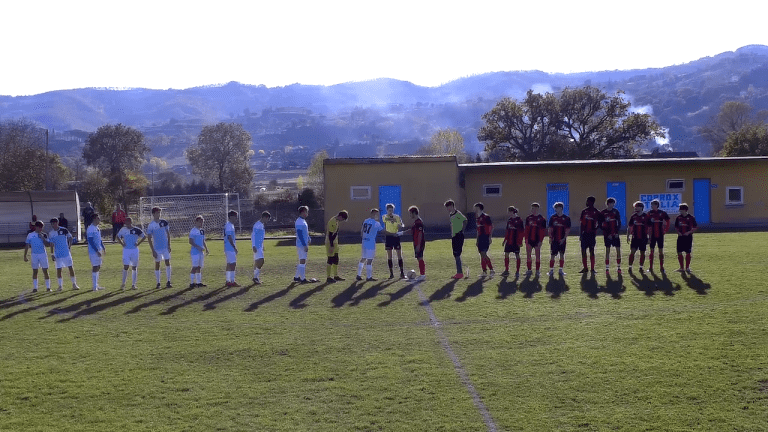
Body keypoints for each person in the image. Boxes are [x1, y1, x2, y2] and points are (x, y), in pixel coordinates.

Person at [49, 217, 80, 291]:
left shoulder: (64, 230)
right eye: (52, 224)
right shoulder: (51, 233)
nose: (53, 225)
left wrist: (69, 247)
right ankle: (60, 286)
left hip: (66, 253)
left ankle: (74, 284)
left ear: (57, 222)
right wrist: (52, 254)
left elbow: (70, 238)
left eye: (54, 223)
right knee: (59, 269)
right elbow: (51, 244)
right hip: (58, 254)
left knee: (70, 268)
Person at [357, 208, 387, 281]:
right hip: (370, 242)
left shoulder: (366, 221)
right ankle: (369, 276)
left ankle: (358, 274)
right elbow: (383, 231)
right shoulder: (376, 223)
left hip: (364, 241)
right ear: (375, 214)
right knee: (369, 260)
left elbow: (361, 232)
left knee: (363, 258)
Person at [116, 217, 146, 290]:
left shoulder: (136, 230)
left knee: (134, 267)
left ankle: (133, 284)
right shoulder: (123, 229)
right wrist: (122, 243)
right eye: (126, 222)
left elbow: (144, 236)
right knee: (126, 266)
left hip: (134, 250)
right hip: (126, 250)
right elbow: (118, 236)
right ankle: (123, 284)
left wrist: (138, 243)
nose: (127, 223)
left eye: (128, 221)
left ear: (131, 222)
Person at [147, 207, 173, 289]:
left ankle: (168, 281)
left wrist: (169, 245)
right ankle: (158, 283)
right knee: (157, 264)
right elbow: (149, 238)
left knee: (167, 262)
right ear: (153, 214)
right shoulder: (151, 225)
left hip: (165, 247)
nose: (159, 214)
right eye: (157, 213)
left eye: (159, 213)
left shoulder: (164, 222)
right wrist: (153, 250)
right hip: (157, 248)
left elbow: (168, 234)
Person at [23, 220, 51, 292]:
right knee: (35, 271)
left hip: (43, 254)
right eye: (39, 227)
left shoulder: (44, 234)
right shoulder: (30, 235)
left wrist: (43, 238)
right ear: (36, 227)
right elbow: (27, 245)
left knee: (45, 271)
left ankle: (48, 287)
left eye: (42, 227)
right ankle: (35, 288)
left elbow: (48, 245)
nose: (40, 229)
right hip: (34, 255)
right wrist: (25, 256)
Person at [579, 196, 603, 273]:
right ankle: (585, 268)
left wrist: (596, 228)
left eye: (588, 201)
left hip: (592, 235)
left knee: (591, 251)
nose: (587, 203)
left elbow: (601, 222)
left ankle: (592, 269)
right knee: (583, 251)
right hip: (584, 234)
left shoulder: (596, 212)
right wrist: (580, 234)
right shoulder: (584, 211)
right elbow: (581, 224)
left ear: (592, 202)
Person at [445, 199, 468, 279]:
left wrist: (461, 230)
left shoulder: (458, 213)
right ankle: (459, 272)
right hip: (454, 236)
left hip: (459, 236)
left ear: (452, 206)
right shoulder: (451, 215)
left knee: (457, 254)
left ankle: (460, 273)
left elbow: (465, 220)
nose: (448, 209)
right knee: (455, 254)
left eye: (448, 207)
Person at [647, 199, 671, 273]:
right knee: (651, 251)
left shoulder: (662, 213)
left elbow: (668, 221)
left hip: (660, 234)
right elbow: (647, 224)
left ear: (657, 205)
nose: (652, 206)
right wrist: (648, 233)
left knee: (661, 251)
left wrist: (665, 230)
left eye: (653, 205)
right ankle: (650, 268)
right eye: (651, 205)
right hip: (652, 235)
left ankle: (662, 267)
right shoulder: (649, 213)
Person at [324, 210, 349, 283]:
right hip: (330, 242)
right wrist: (331, 245)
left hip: (335, 242)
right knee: (330, 259)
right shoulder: (332, 221)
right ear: (340, 216)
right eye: (343, 219)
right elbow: (330, 235)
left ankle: (335, 275)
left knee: (336, 258)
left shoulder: (337, 221)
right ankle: (328, 277)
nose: (343, 221)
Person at [382, 203, 406, 279]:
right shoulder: (384, 217)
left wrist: (401, 226)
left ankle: (402, 273)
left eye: (392, 210)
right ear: (387, 210)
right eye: (389, 210)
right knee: (389, 255)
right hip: (389, 237)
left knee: (399, 254)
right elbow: (386, 221)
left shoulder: (397, 217)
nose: (390, 212)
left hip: (396, 237)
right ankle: (391, 273)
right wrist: (393, 219)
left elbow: (402, 225)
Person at [548, 202, 571, 276]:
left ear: (561, 208)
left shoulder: (566, 218)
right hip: (554, 240)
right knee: (552, 255)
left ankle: (561, 270)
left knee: (561, 254)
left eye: (557, 208)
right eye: (555, 208)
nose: (556, 210)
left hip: (562, 240)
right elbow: (550, 229)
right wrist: (550, 238)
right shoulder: (552, 218)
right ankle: (551, 270)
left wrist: (563, 239)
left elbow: (567, 230)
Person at [524, 202, 547, 277]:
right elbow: (526, 230)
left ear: (538, 209)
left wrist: (540, 241)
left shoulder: (542, 219)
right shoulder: (528, 218)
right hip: (530, 240)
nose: (534, 210)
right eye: (533, 208)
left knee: (537, 255)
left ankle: (537, 271)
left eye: (536, 208)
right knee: (528, 255)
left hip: (537, 240)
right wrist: (526, 240)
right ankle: (529, 270)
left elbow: (543, 231)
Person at [294, 206, 316, 283]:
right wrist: (304, 245)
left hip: (303, 243)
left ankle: (296, 277)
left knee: (301, 260)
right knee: (303, 261)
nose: (307, 213)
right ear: (303, 212)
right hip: (301, 245)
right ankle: (303, 279)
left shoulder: (303, 221)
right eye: (306, 211)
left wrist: (309, 238)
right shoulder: (299, 221)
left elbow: (305, 233)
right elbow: (300, 234)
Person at [627, 201, 651, 272]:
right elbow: (629, 226)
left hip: (643, 238)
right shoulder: (633, 216)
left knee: (642, 253)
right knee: (632, 252)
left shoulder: (646, 217)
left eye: (637, 207)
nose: (636, 208)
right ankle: (630, 267)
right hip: (635, 238)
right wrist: (628, 236)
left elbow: (649, 228)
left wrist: (649, 238)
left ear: (641, 208)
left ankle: (641, 267)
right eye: (635, 207)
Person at [674, 203, 698, 273]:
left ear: (685, 210)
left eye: (681, 210)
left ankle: (687, 267)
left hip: (688, 237)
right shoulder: (678, 218)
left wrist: (689, 232)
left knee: (688, 252)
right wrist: (678, 232)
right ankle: (681, 268)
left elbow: (695, 227)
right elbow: (676, 227)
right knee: (679, 252)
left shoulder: (691, 218)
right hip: (680, 237)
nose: (680, 211)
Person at [501, 206, 524, 277]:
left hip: (516, 241)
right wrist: (505, 240)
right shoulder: (509, 220)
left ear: (512, 212)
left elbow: (521, 232)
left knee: (517, 255)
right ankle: (506, 270)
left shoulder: (519, 220)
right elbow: (507, 231)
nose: (508, 213)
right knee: (506, 254)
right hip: (509, 241)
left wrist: (520, 242)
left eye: (509, 212)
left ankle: (517, 271)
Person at [601, 198, 623, 274]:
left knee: (618, 250)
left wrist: (617, 233)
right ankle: (607, 268)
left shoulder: (615, 212)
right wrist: (607, 234)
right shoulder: (603, 213)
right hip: (607, 235)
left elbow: (619, 223)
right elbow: (601, 225)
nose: (613, 205)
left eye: (613, 203)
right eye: (611, 203)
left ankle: (619, 267)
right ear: (608, 204)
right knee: (607, 251)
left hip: (615, 234)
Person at [474, 202, 495, 277]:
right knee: (482, 255)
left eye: (476, 208)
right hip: (480, 237)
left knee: (483, 253)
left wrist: (490, 238)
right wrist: (477, 240)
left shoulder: (486, 217)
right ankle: (484, 271)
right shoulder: (478, 218)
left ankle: (491, 269)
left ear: (480, 208)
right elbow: (478, 230)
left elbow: (491, 227)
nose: (475, 210)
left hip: (485, 237)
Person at [86, 213, 106, 291]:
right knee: (95, 266)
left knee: (98, 266)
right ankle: (94, 286)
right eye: (98, 218)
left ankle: (97, 285)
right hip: (93, 251)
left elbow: (99, 239)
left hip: (99, 249)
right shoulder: (90, 228)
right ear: (94, 219)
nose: (99, 220)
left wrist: (103, 247)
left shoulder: (97, 228)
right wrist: (96, 250)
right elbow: (90, 241)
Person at [188, 215, 209, 288]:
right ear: (196, 222)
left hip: (201, 252)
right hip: (195, 252)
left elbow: (203, 240)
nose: (201, 223)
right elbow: (190, 241)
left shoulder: (202, 231)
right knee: (194, 267)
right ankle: (191, 283)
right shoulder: (193, 231)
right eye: (200, 222)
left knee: (199, 267)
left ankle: (199, 282)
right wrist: (198, 247)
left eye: (202, 222)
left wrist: (206, 248)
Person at [252, 211, 271, 284]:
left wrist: (262, 245)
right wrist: (254, 245)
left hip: (259, 246)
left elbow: (260, 237)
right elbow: (253, 235)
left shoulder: (261, 225)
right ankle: (255, 277)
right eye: (267, 219)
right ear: (264, 217)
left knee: (259, 261)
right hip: (256, 246)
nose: (267, 221)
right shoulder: (257, 225)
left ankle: (256, 277)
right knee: (261, 261)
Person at [224, 210, 240, 287]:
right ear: (231, 217)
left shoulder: (230, 225)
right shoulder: (229, 225)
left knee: (229, 264)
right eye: (235, 216)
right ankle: (232, 281)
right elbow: (229, 237)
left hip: (227, 248)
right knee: (233, 264)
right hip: (229, 248)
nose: (236, 218)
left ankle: (228, 280)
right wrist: (234, 247)